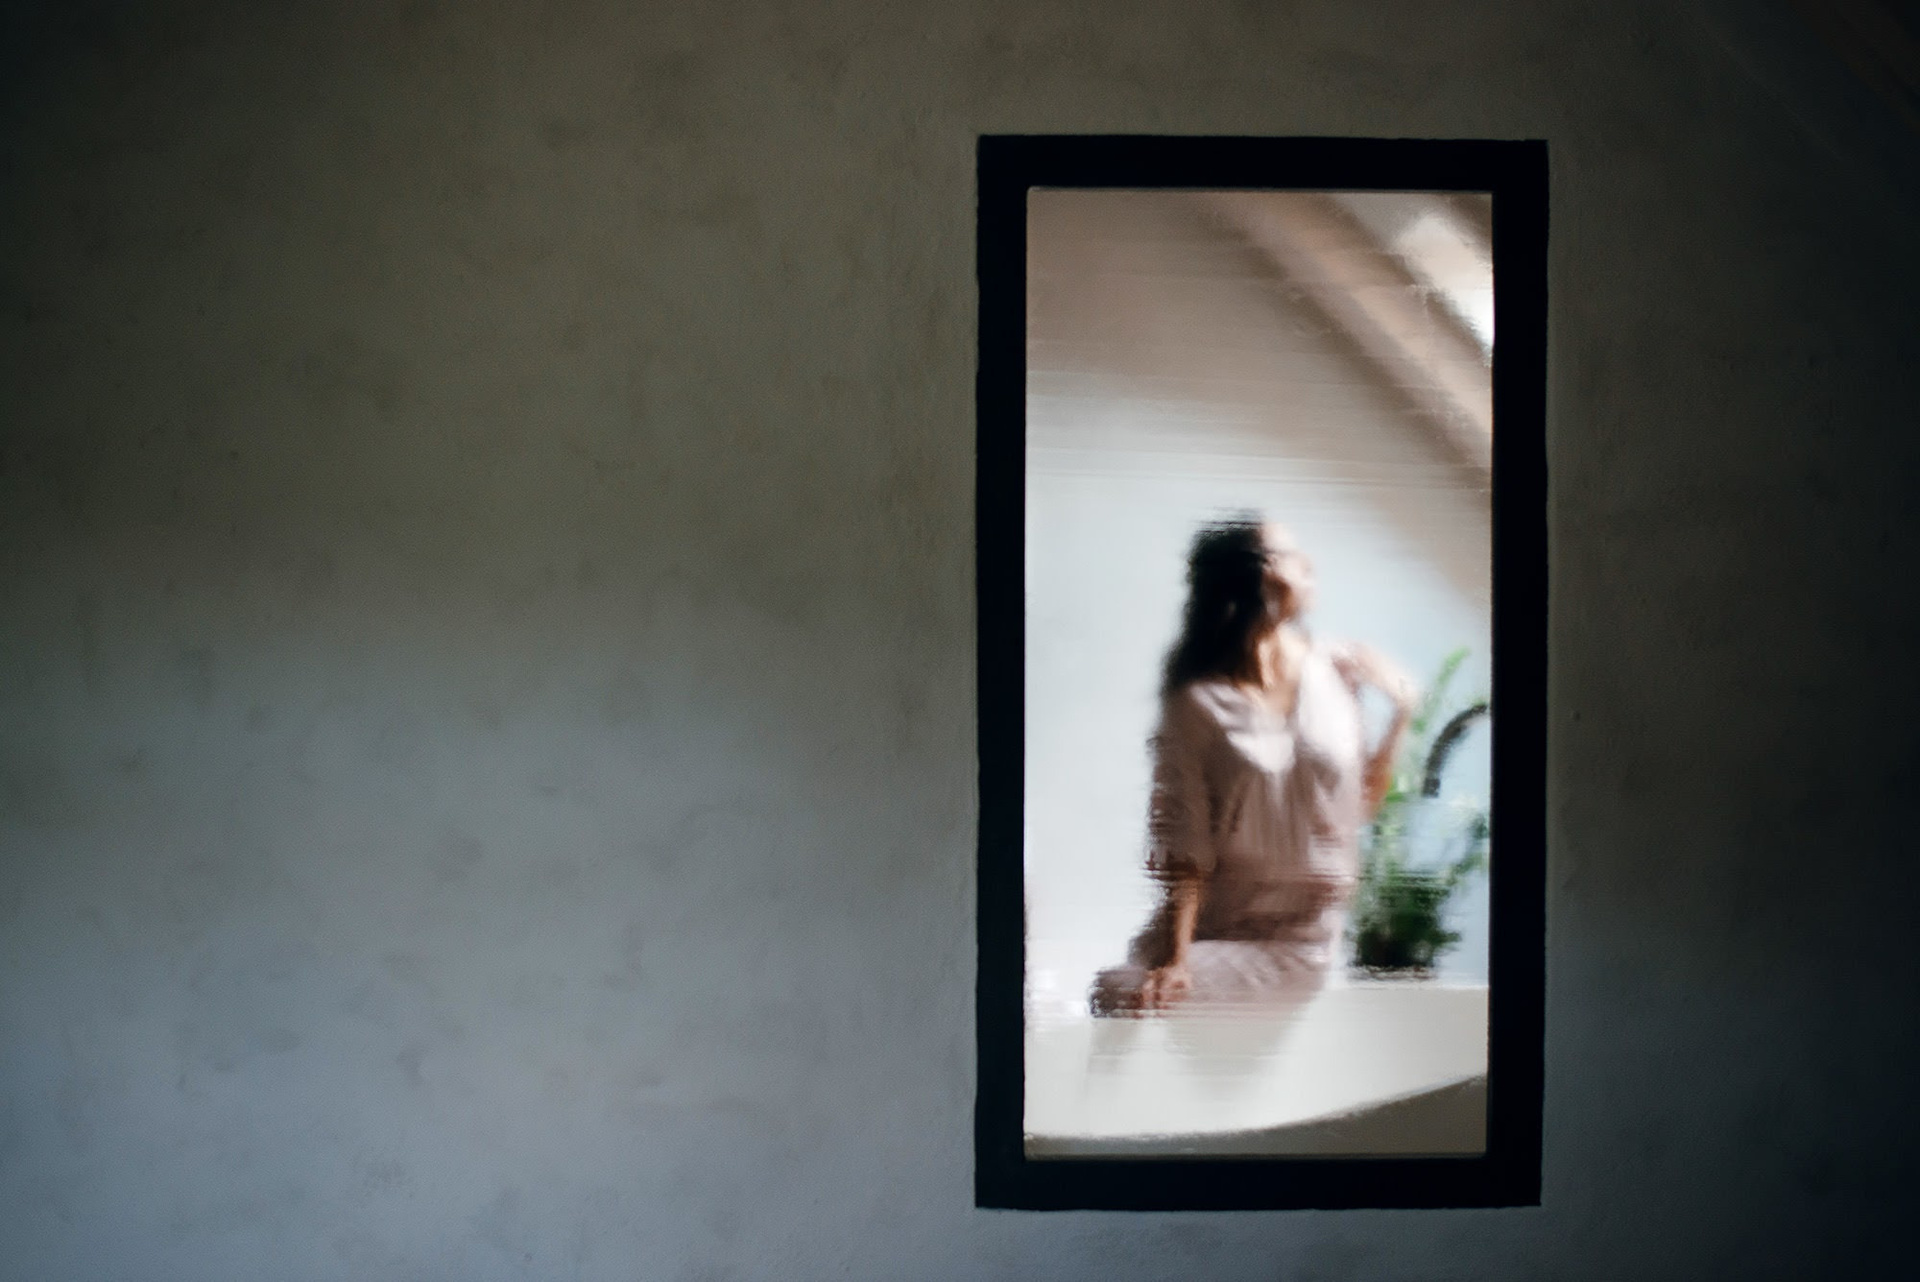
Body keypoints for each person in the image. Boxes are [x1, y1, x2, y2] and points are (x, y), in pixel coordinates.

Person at [1090, 516, 1417, 1017]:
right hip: (1208, 926)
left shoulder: (1334, 673)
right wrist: (1176, 959)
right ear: (1255, 576)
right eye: (1288, 556)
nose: (1307, 566)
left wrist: (1400, 714)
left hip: (1295, 940)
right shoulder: (1198, 702)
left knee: (1124, 995)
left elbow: (1357, 812)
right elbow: (1185, 841)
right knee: (1118, 992)